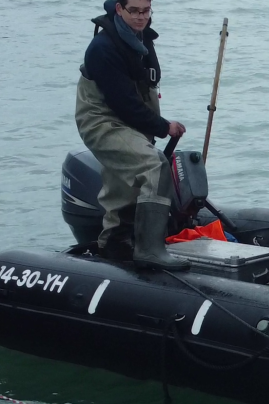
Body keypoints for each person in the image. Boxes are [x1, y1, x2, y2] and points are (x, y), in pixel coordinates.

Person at [76, 0, 189, 270]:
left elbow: (144, 88)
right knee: (155, 165)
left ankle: (114, 242)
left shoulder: (142, 40)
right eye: (134, 11)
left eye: (146, 11)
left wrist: (152, 125)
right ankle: (150, 249)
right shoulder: (103, 48)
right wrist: (163, 127)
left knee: (125, 184)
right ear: (119, 9)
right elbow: (124, 103)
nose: (141, 17)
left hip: (129, 118)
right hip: (102, 120)